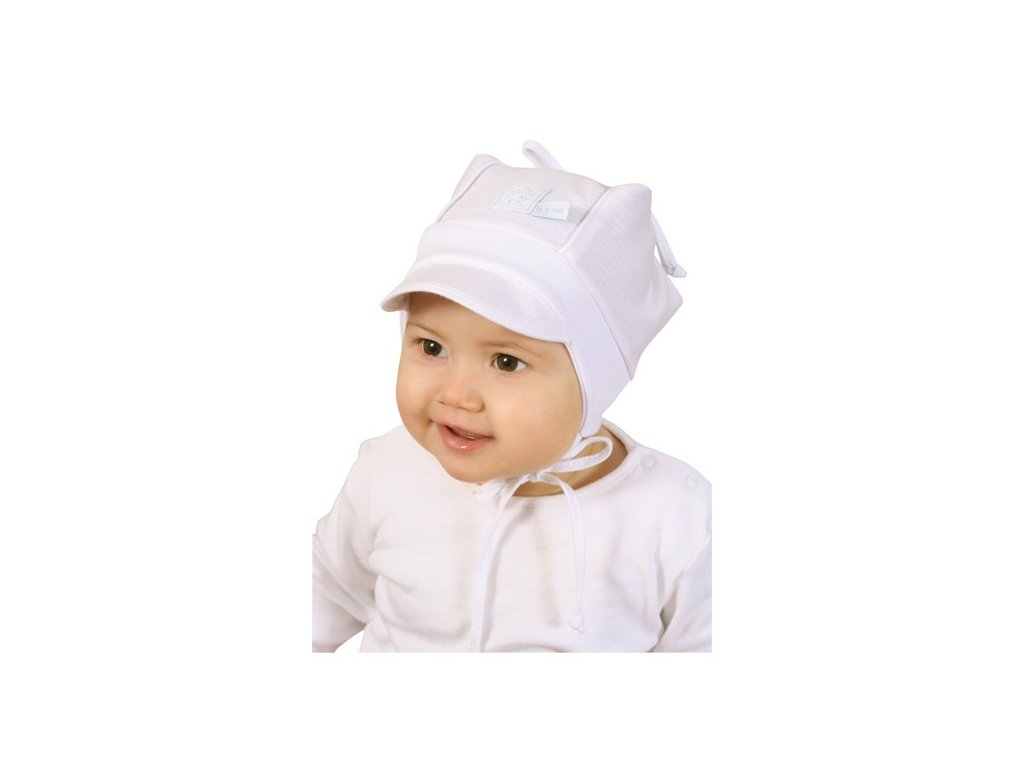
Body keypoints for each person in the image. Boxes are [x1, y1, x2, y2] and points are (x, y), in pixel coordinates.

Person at [312, 141, 711, 652]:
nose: (456, 394)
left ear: (597, 376)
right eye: (431, 347)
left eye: (506, 362)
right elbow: (323, 595)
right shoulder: (386, 471)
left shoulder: (674, 518)